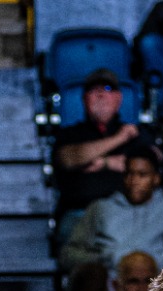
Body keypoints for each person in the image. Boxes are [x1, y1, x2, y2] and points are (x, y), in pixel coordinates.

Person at [61, 149, 163, 286]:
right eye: (129, 174)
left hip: (155, 283)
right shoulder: (100, 207)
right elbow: (67, 255)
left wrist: (142, 263)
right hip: (109, 282)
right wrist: (106, 259)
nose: (134, 180)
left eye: (142, 175)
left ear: (156, 178)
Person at [53, 71, 141, 217]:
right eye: (94, 90)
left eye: (107, 89)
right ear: (84, 99)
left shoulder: (137, 132)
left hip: (127, 213)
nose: (100, 95)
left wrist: (102, 162)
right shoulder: (69, 134)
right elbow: (69, 159)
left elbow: (149, 166)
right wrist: (119, 139)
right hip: (80, 213)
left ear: (118, 98)